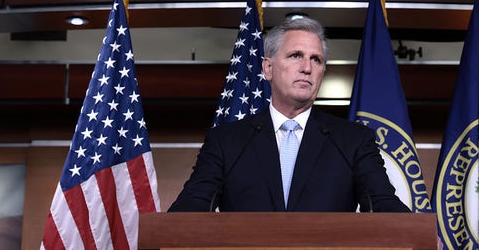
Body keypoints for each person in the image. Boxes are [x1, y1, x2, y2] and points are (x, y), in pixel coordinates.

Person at [168, 17, 409, 212]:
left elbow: (383, 203)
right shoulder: (226, 141)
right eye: (296, 56)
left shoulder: (353, 141)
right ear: (268, 68)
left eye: (316, 60)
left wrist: (418, 233)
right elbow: (192, 206)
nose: (307, 68)